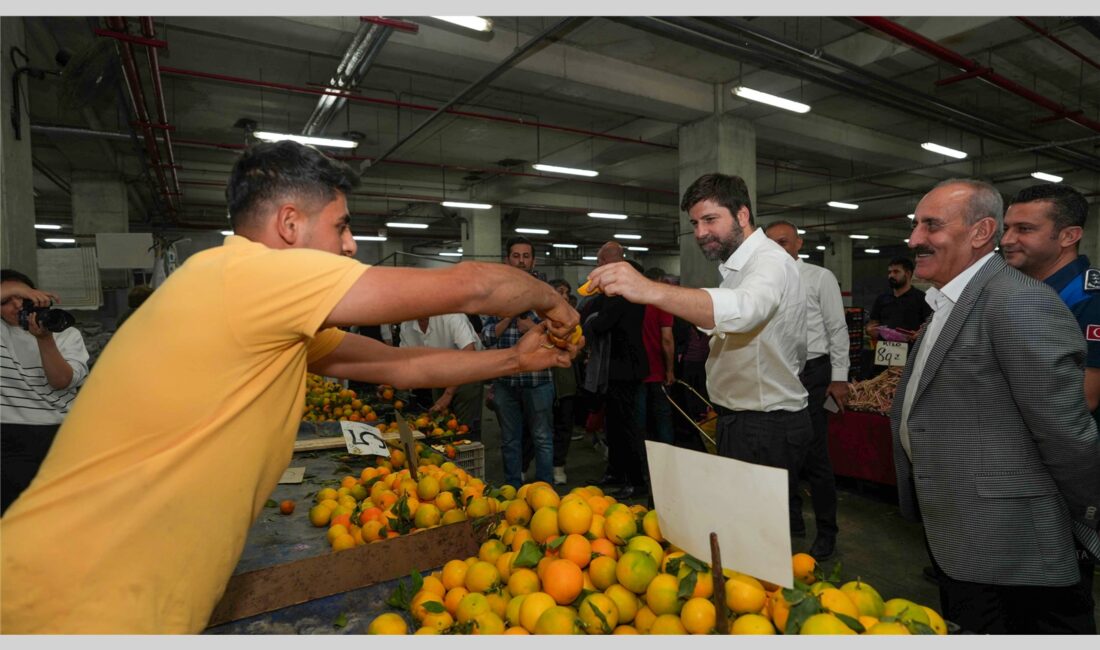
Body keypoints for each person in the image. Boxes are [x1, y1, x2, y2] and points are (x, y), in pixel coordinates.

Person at [0, 141, 580, 634]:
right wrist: (555, 302)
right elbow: (475, 287)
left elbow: (402, 367)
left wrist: (514, 357)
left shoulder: (259, 310)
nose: (351, 245)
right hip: (69, 603)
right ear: (289, 225)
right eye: (342, 226)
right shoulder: (248, 275)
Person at [892, 178, 1099, 634]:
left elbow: (1065, 431)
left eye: (931, 225)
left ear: (981, 232)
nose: (914, 239)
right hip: (962, 531)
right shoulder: (951, 299)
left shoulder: (1017, 301)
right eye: (915, 225)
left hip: (1013, 545)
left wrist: (1086, 515)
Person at [585, 173, 811, 536]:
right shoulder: (738, 267)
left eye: (710, 220)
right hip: (745, 421)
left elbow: (744, 309)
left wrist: (650, 290)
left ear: (741, 215)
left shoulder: (769, 262)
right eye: (695, 223)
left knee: (758, 542)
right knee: (748, 534)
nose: (701, 232)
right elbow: (717, 321)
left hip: (765, 425)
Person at [765, 221, 849, 560]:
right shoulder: (765, 282)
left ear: (799, 244)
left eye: (784, 242)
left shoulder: (819, 278)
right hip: (779, 373)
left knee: (815, 456)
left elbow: (836, 328)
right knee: (781, 452)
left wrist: (840, 377)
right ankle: (792, 519)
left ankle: (827, 531)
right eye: (770, 244)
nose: (778, 249)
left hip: (814, 373)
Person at [1002, 183, 1100, 427]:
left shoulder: (1088, 298)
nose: (1006, 240)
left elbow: (1086, 398)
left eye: (1024, 229)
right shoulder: (1024, 291)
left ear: (1069, 236)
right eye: (1007, 228)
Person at [0, 270, 90, 515]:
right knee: (15, 512)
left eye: (23, 298)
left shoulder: (66, 333)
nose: (17, 305)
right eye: (7, 300)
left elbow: (61, 381)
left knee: (62, 509)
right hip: (8, 433)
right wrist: (15, 291)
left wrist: (45, 338)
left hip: (59, 431)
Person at [481, 236, 559, 488]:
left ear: (533, 260)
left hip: (538, 381)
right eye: (516, 256)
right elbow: (487, 337)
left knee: (543, 438)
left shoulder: (547, 295)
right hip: (506, 381)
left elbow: (559, 336)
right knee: (510, 440)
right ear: (508, 259)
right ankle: (512, 490)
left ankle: (545, 489)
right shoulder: (496, 296)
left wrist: (532, 327)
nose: (521, 260)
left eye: (526, 256)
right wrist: (509, 316)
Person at [585, 243, 650, 499]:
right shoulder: (619, 287)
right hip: (617, 367)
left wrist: (588, 325)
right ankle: (615, 471)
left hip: (626, 368)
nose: (599, 267)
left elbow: (601, 323)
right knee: (613, 427)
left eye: (601, 262)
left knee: (627, 428)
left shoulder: (623, 288)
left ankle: (636, 481)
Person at [398, 313, 484, 437]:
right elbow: (404, 361)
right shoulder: (407, 325)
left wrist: (448, 394)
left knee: (465, 430)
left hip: (468, 374)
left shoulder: (451, 316)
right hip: (439, 375)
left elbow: (469, 355)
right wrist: (389, 383)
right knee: (441, 427)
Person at [636, 267, 675, 447]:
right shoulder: (662, 304)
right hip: (657, 369)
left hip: (637, 369)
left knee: (639, 418)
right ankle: (667, 457)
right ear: (659, 280)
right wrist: (670, 370)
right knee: (663, 416)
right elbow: (667, 339)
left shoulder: (634, 300)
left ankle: (641, 461)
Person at [865, 256, 932, 344]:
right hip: (885, 352)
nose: (891, 275)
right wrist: (869, 330)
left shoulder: (922, 298)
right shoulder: (882, 298)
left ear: (907, 273)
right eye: (889, 272)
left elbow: (930, 326)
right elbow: (872, 324)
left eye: (896, 272)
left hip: (911, 352)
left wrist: (920, 334)